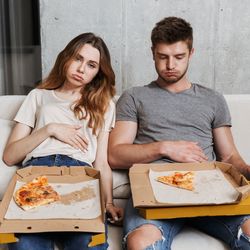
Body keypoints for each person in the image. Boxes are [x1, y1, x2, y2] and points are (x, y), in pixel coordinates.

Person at [108, 16, 250, 250]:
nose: (170, 65)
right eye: (163, 57)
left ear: (191, 53)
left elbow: (229, 158)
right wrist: (164, 147)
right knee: (140, 243)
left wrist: (247, 171)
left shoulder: (213, 98)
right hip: (154, 194)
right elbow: (115, 154)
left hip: (210, 193)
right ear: (153, 53)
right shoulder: (134, 97)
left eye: (179, 57)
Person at [3, 32, 123, 250]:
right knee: (24, 247)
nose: (81, 69)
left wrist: (108, 203)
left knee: (90, 246)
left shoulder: (104, 104)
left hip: (81, 179)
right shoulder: (38, 96)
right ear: (66, 57)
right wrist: (50, 129)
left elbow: (102, 163)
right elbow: (10, 156)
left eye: (91, 65)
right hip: (37, 175)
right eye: (78, 58)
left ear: (98, 72)